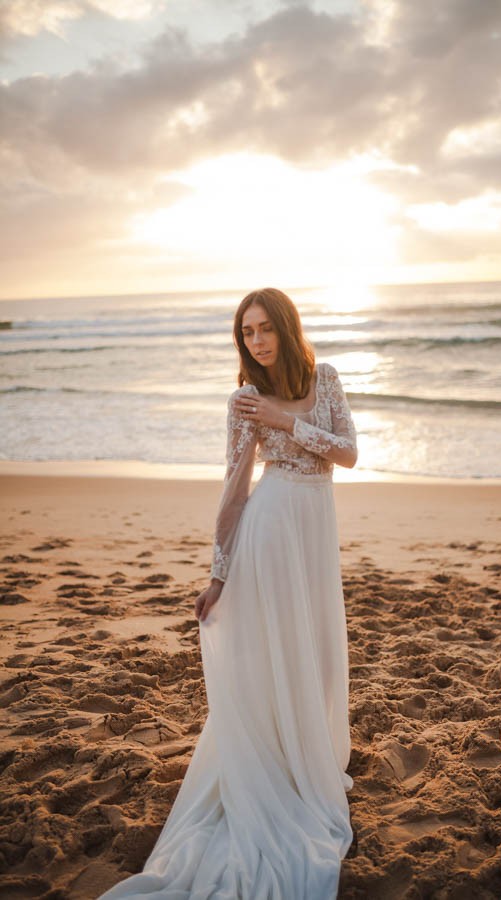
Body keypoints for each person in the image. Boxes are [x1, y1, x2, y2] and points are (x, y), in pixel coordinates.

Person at [98, 287, 357, 900]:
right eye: (246, 332)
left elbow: (348, 454)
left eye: (266, 328)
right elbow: (235, 488)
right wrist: (218, 574)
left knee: (315, 640)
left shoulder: (327, 377)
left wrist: (287, 421)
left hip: (314, 528)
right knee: (276, 651)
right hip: (269, 530)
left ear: (287, 328)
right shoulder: (243, 400)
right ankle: (279, 760)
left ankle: (310, 755)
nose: (257, 340)